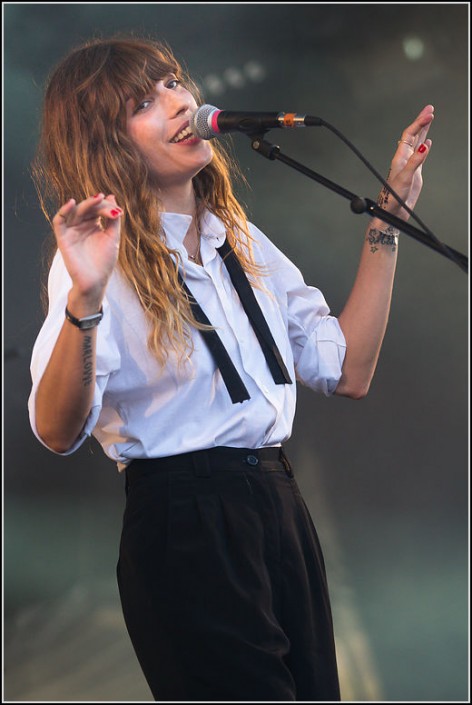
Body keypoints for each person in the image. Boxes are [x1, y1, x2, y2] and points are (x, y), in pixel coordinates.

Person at [28, 35, 433, 702]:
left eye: (172, 83)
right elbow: (55, 427)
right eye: (143, 101)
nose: (178, 101)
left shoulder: (239, 240)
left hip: (277, 504)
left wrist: (389, 216)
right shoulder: (97, 262)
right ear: (107, 142)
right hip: (186, 520)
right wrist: (84, 300)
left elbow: (348, 367)